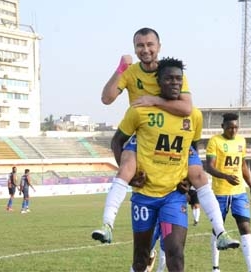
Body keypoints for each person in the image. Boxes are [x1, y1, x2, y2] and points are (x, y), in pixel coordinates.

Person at [92, 28, 239, 251]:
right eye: (140, 45)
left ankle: (220, 231)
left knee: (198, 175)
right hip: (145, 133)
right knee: (125, 168)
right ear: (135, 48)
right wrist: (121, 68)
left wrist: (152, 100)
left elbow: (186, 107)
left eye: (150, 44)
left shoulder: (170, 71)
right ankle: (107, 224)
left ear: (159, 47)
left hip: (175, 135)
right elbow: (106, 98)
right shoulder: (131, 72)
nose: (145, 49)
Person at [109, 57, 202, 271]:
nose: (174, 82)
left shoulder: (191, 114)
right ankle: (107, 223)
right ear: (158, 81)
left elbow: (192, 150)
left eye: (178, 79)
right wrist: (129, 176)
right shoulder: (139, 109)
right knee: (141, 258)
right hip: (145, 194)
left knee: (175, 254)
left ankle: (221, 231)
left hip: (173, 195)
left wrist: (189, 181)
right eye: (169, 79)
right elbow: (117, 140)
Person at [206, 113, 251, 272]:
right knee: (218, 230)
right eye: (230, 127)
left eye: (236, 127)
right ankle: (215, 267)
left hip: (239, 192)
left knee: (245, 227)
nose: (233, 130)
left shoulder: (241, 141)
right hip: (220, 193)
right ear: (223, 127)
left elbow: (243, 166)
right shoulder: (215, 141)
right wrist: (225, 176)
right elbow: (209, 166)